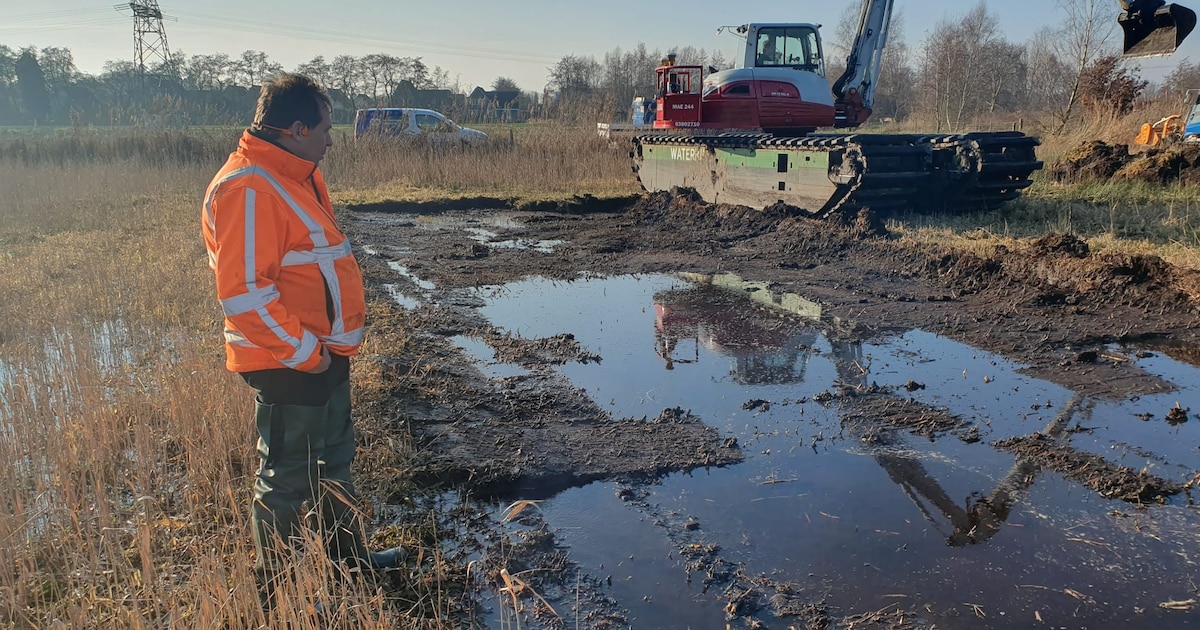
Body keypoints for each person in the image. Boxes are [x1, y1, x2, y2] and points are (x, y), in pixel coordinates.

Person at [201, 73, 404, 599]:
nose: (331, 139)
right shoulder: (248, 186)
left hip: (323, 354)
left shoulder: (294, 174)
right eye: (325, 127)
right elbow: (245, 294)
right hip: (289, 362)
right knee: (288, 478)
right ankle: (279, 588)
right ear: (294, 129)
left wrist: (326, 350)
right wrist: (304, 354)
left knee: (335, 461)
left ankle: (349, 559)